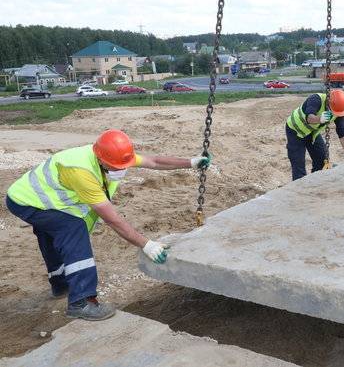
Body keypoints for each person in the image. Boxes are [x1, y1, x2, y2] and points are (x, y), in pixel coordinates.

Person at [5, 129, 212, 320]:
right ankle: (81, 302)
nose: (121, 170)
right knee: (72, 228)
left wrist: (191, 162)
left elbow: (155, 161)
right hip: (27, 202)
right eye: (116, 168)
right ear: (101, 160)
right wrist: (146, 244)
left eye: (124, 165)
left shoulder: (113, 155)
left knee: (52, 234)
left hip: (34, 199)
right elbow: (112, 219)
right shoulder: (82, 171)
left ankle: (60, 284)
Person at [286, 89, 344, 180]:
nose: (334, 114)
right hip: (295, 131)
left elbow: (342, 131)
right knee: (298, 164)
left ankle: (315, 182)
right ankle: (299, 187)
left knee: (322, 160)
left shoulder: (338, 109)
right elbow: (309, 118)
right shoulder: (316, 99)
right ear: (329, 101)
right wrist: (319, 119)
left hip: (312, 133)